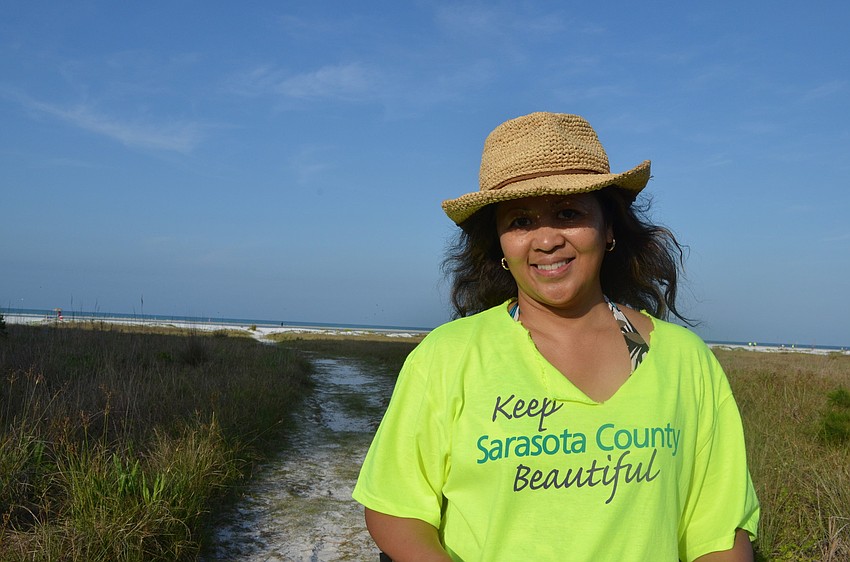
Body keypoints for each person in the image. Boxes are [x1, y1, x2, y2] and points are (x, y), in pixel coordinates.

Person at [353, 112, 759, 561]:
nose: (546, 240)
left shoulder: (685, 361)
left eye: (568, 213)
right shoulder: (448, 357)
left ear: (608, 228)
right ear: (499, 242)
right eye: (520, 221)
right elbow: (396, 509)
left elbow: (719, 532)